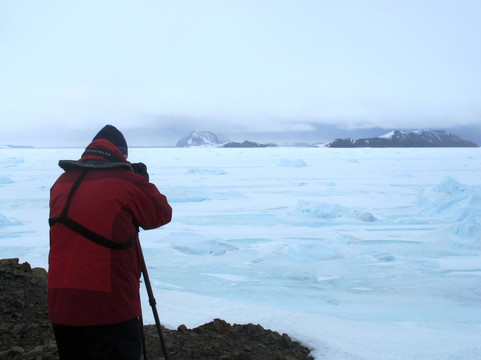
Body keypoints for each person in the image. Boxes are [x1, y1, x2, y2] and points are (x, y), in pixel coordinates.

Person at [48, 125, 172, 360]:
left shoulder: (60, 183)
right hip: (109, 308)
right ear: (121, 153)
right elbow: (161, 214)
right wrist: (141, 180)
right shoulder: (126, 182)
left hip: (62, 305)